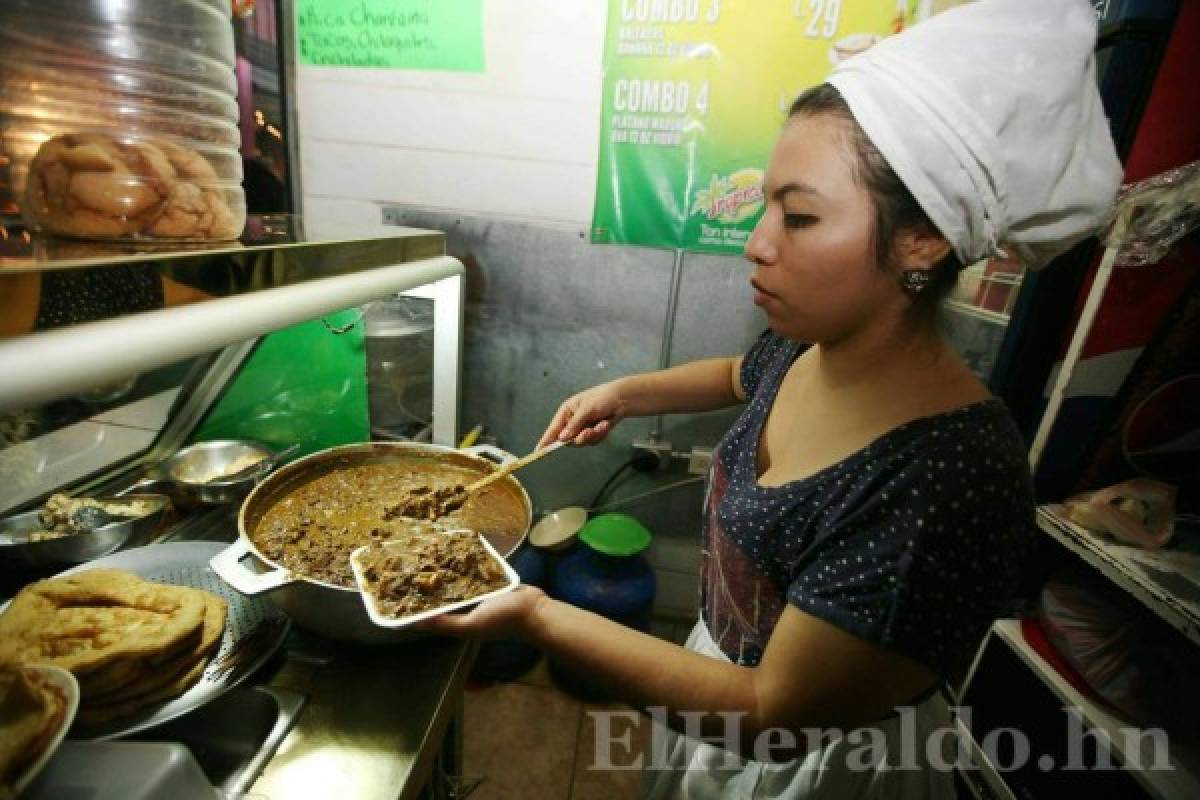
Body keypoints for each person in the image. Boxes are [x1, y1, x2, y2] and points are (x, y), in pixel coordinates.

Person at [423, 1, 1122, 796]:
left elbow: (773, 713)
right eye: (767, 206)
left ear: (921, 239)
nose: (758, 241)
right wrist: (620, 391)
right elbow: (734, 376)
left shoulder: (945, 475)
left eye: (799, 215)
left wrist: (534, 613)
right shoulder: (806, 345)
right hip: (716, 687)